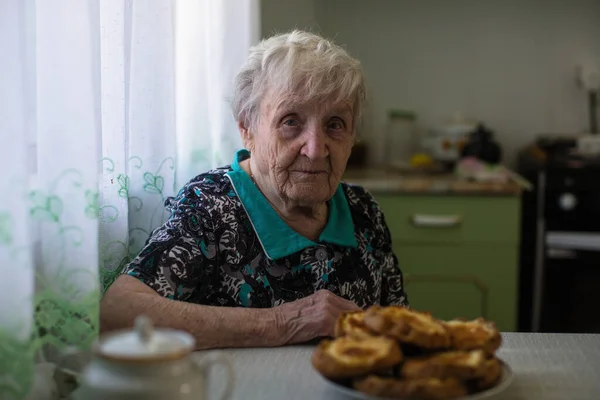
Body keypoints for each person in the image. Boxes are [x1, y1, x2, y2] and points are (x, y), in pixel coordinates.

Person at [100, 30, 408, 349]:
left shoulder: (363, 211)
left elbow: (402, 329)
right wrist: (281, 323)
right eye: (290, 121)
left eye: (334, 124)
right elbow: (117, 313)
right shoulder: (212, 205)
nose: (316, 150)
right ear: (247, 129)